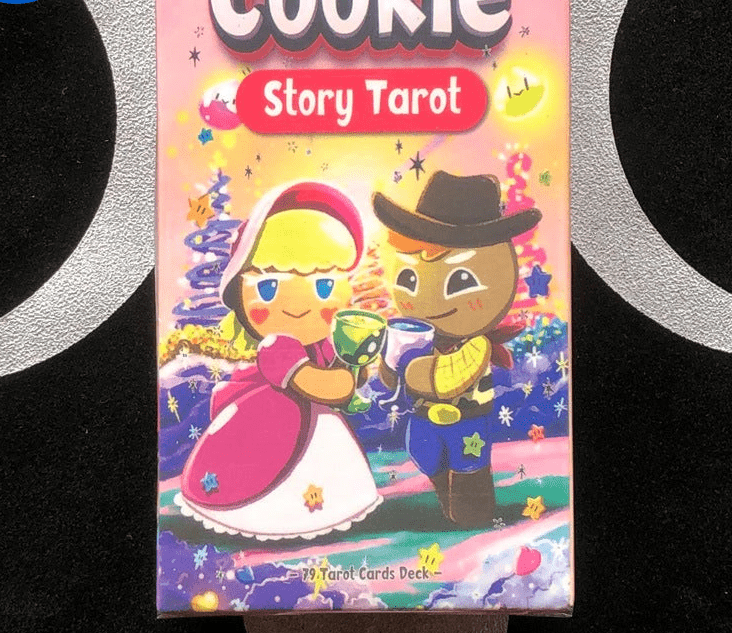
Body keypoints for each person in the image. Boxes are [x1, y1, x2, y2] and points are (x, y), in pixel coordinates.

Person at [175, 182, 382, 539]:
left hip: (314, 426)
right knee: (272, 479)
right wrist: (346, 381)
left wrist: (355, 363)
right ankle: (268, 516)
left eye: (323, 287)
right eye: (268, 287)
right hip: (272, 432)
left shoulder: (325, 342)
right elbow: (321, 385)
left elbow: (343, 374)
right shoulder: (276, 347)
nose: (298, 305)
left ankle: (325, 511)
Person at [374, 172, 540, 528]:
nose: (426, 298)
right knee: (424, 454)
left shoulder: (476, 343)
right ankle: (444, 494)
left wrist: (407, 366)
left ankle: (470, 508)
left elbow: (445, 379)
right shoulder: (418, 334)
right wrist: (389, 362)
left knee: (468, 474)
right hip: (424, 421)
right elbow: (392, 379)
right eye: (409, 279)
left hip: (467, 424)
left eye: (461, 280)